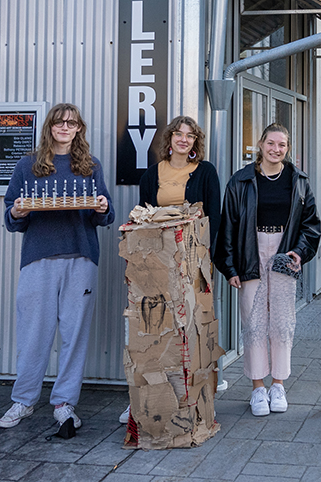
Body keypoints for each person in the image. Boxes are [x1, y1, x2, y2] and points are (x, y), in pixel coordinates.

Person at [0, 103, 114, 430]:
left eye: (71, 122)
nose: (64, 127)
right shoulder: (27, 166)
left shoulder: (91, 166)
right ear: (49, 127)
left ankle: (64, 404)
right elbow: (12, 216)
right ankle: (23, 400)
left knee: (74, 335)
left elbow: (103, 214)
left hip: (81, 257)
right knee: (33, 333)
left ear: (79, 129)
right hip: (38, 258)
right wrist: (17, 212)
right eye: (59, 122)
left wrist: (103, 207)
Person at [213, 122, 321, 416]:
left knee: (283, 322)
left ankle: (279, 384)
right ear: (260, 145)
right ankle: (258, 388)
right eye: (271, 143)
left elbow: (311, 224)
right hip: (251, 250)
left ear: (288, 149)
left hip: (284, 252)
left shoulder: (298, 181)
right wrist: (229, 266)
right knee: (254, 321)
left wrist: (299, 252)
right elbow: (228, 227)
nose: (276, 149)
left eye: (282, 145)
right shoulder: (241, 181)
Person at [120, 114, 221, 424]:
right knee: (157, 330)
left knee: (190, 327)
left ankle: (194, 396)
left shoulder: (205, 172)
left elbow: (214, 218)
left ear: (195, 142)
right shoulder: (153, 174)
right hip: (158, 264)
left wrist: (206, 261)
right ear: (170, 139)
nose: (183, 139)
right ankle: (148, 398)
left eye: (190, 135)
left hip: (192, 264)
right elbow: (144, 218)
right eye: (178, 133)